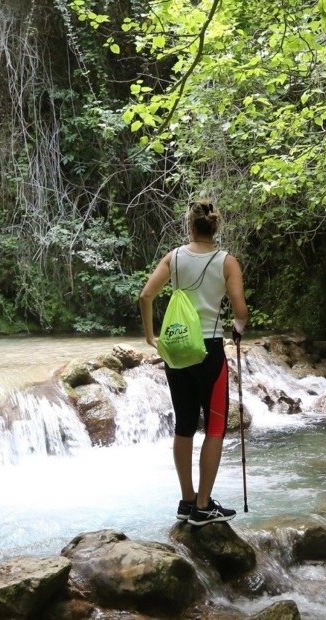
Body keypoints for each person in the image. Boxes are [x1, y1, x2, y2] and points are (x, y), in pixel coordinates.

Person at [139, 198, 248, 526]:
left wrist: (150, 337)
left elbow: (146, 296)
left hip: (177, 349)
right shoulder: (227, 262)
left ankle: (186, 502)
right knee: (214, 427)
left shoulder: (173, 258)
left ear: (189, 226)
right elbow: (240, 311)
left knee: (184, 425)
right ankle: (203, 505)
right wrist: (238, 328)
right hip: (210, 350)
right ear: (216, 227)